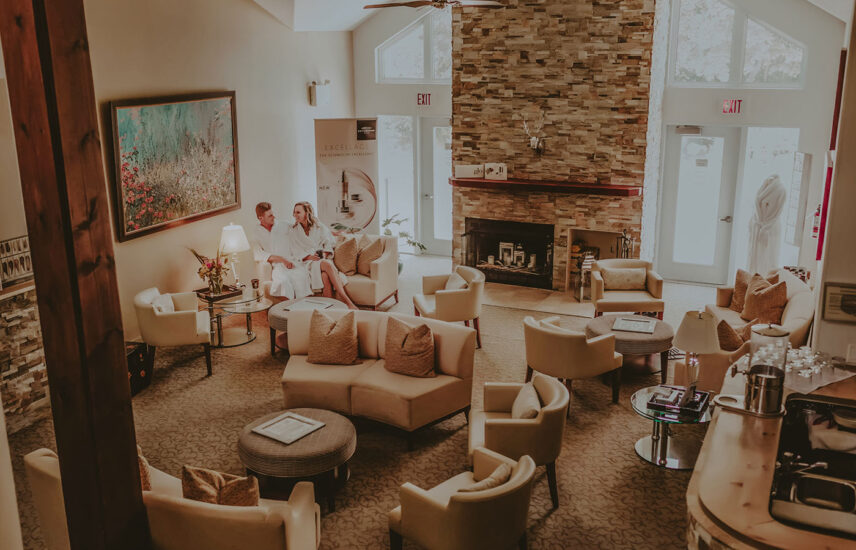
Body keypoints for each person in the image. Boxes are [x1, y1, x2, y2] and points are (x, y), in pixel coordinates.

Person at [288, 201, 357, 309]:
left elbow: (329, 242)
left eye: (298, 212)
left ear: (307, 213)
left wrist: (324, 254)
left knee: (325, 275)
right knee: (327, 265)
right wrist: (309, 257)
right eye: (294, 212)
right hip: (306, 262)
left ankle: (329, 309)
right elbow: (295, 250)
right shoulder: (294, 230)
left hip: (321, 259)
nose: (295, 215)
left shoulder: (319, 226)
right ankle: (347, 301)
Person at [253, 202, 311, 299]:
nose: (274, 217)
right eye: (270, 216)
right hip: (278, 265)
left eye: (272, 214)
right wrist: (282, 260)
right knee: (283, 282)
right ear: (260, 218)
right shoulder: (257, 233)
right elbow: (259, 254)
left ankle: (304, 305)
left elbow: (301, 230)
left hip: (293, 262)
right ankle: (290, 306)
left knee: (301, 278)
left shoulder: (283, 225)